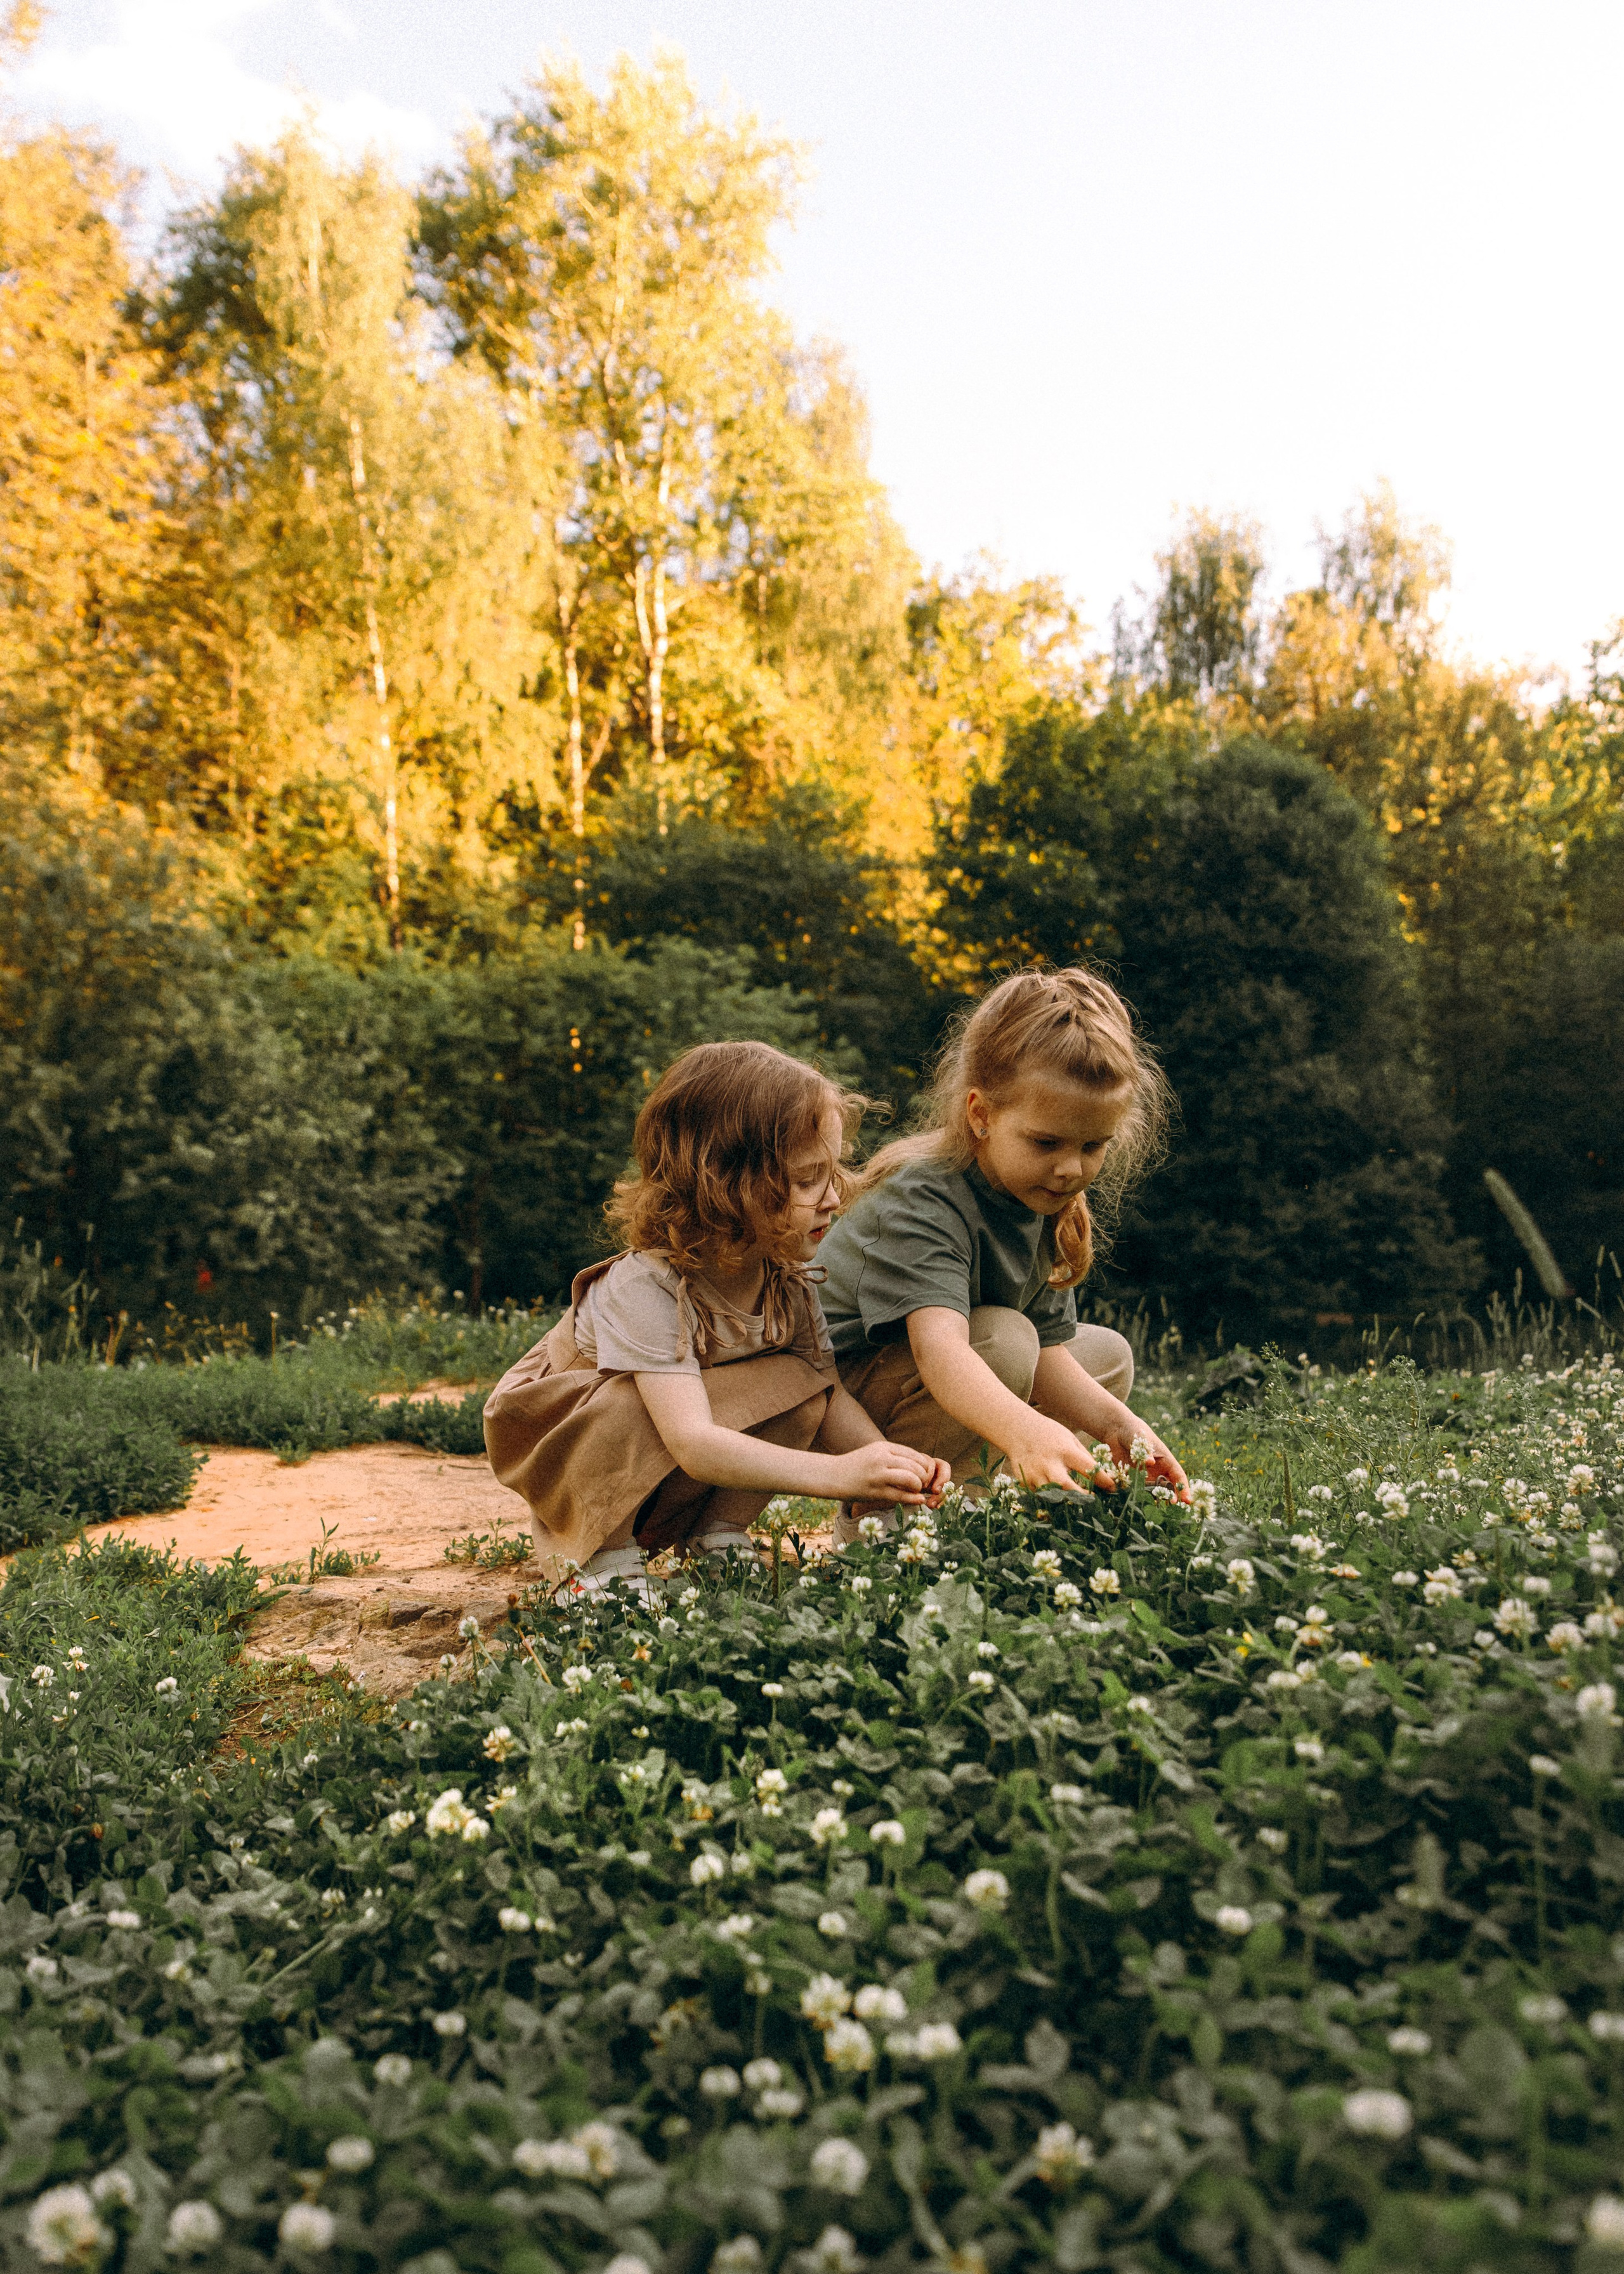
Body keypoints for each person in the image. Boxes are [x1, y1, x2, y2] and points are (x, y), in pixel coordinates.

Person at [484, 1040, 948, 1598]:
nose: (834, 1197)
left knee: (804, 1387)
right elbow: (693, 1442)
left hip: (666, 1441)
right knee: (630, 1403)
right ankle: (595, 1557)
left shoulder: (787, 1279)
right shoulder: (647, 1285)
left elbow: (826, 1397)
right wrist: (839, 1475)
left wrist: (887, 1473)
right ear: (724, 1183)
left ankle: (716, 1532)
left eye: (833, 1172)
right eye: (807, 1180)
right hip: (561, 1438)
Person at [817, 966, 1188, 1537]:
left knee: (1103, 1354)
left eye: (1093, 1145)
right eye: (1047, 1142)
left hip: (928, 1376)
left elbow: (1050, 1352)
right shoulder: (926, 1195)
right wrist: (1026, 1431)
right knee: (1006, 1341)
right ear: (981, 1114)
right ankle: (885, 1520)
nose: (1071, 1167)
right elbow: (943, 1352)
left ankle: (980, 1502)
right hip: (831, 1401)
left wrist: (1122, 1428)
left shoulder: (1035, 1193)